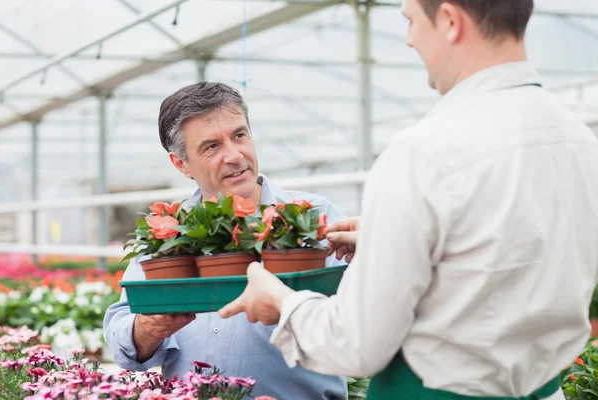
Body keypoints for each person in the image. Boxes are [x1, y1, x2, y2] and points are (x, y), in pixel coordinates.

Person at [218, 0, 598, 399]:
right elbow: (514, 251)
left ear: (450, 21)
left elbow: (356, 344)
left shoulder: (425, 151)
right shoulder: (580, 142)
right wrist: (398, 239)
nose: (409, 40)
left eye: (412, 21)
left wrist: (282, 302)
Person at [103, 82, 348, 399]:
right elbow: (121, 341)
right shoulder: (164, 234)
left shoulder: (314, 217)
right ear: (181, 164)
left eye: (239, 135)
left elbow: (362, 322)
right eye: (211, 146)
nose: (234, 155)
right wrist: (148, 328)